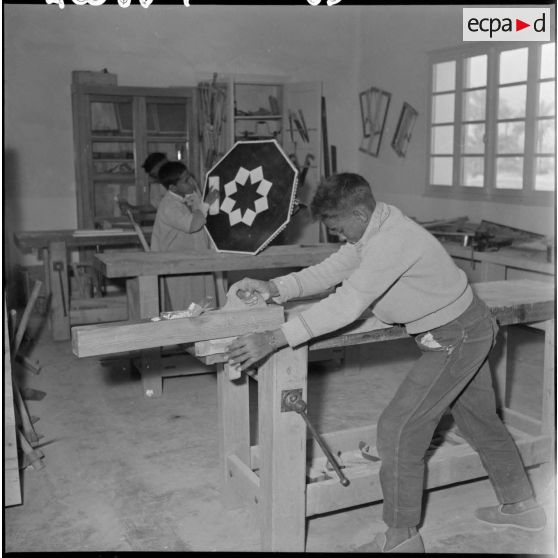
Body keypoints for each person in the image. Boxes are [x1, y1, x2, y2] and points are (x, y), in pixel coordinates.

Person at [225, 172, 546, 553]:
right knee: (479, 420)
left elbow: (348, 303)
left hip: (456, 337)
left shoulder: (392, 239)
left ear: (358, 214)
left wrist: (275, 337)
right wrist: (276, 288)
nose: (338, 235)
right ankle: (523, 506)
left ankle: (401, 538)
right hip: (467, 328)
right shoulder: (375, 224)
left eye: (338, 227)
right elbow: (333, 270)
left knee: (397, 430)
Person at [151, 160, 219, 312]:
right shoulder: (168, 205)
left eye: (191, 177)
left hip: (196, 260)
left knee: (203, 303)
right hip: (178, 266)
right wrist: (206, 203)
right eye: (186, 180)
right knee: (184, 306)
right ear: (173, 187)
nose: (192, 182)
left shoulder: (189, 196)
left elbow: (202, 217)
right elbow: (192, 225)